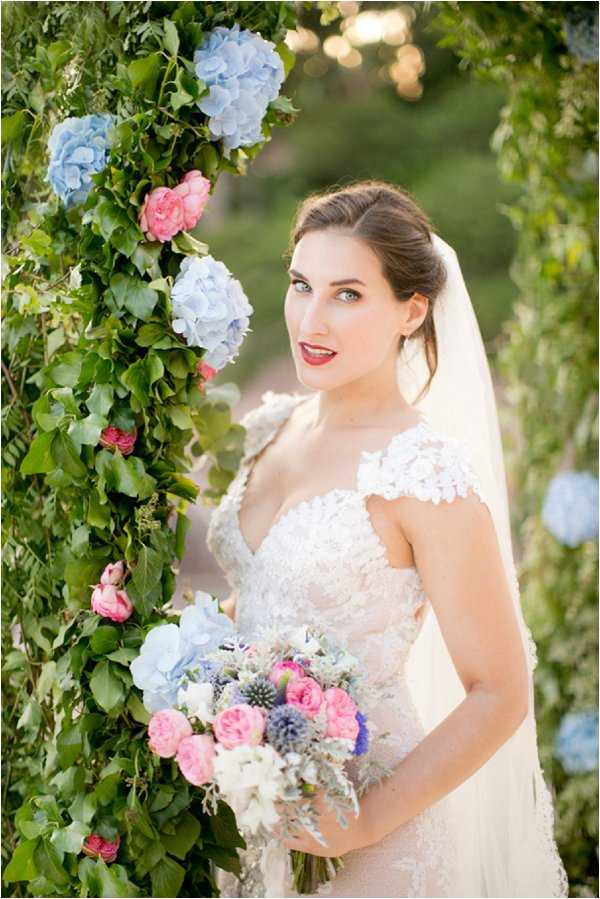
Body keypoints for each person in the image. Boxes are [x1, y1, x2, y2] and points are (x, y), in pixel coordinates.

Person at [206, 181, 569, 898]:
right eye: (301, 285)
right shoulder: (268, 429)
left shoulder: (423, 476)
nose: (311, 319)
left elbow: (499, 692)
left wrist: (363, 821)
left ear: (412, 310)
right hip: (251, 818)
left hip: (373, 840)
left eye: (347, 294)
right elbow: (258, 598)